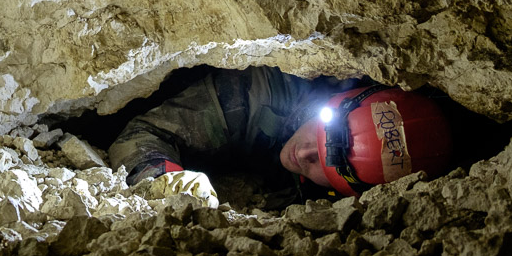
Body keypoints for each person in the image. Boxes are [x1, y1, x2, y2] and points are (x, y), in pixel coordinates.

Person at [107, 66, 453, 207]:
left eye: (326, 165)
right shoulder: (261, 96)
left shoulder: (342, 201)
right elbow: (141, 134)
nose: (303, 154)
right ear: (334, 103)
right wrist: (167, 178)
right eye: (322, 134)